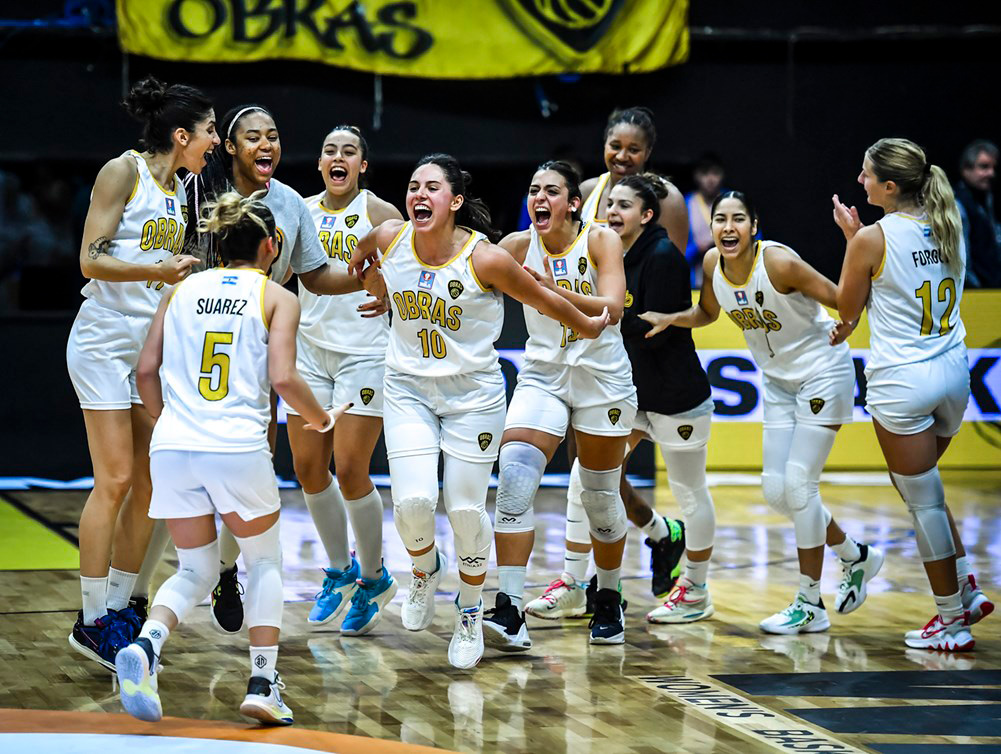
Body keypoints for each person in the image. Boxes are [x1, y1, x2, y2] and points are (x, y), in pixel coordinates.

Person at [347, 154, 609, 669]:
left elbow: (542, 298)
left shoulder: (485, 258)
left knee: (466, 510)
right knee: (412, 504)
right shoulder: (389, 237)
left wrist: (587, 324)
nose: (419, 194)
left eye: (432, 187)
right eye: (413, 186)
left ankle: (470, 608)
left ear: (455, 201)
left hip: (473, 397)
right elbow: (360, 259)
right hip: (407, 389)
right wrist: (379, 289)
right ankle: (425, 569)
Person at [115, 191, 352, 724]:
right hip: (236, 446)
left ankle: (148, 645)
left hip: (174, 445)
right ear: (272, 245)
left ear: (220, 244)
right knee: (263, 562)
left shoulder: (179, 291)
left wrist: (170, 422)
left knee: (195, 568)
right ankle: (263, 683)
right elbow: (285, 379)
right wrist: (321, 419)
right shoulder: (277, 296)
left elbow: (146, 371)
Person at [642, 190, 882, 634]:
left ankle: (810, 602)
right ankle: (855, 555)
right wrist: (674, 318)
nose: (728, 227)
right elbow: (708, 312)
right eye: (720, 219)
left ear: (754, 226)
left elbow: (843, 297)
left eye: (738, 219)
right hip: (777, 382)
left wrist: (848, 323)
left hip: (821, 373)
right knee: (777, 491)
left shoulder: (779, 263)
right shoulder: (712, 264)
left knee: (800, 486)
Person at [184, 104, 379, 634]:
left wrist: (368, 281)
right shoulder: (197, 193)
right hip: (198, 343)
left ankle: (227, 572)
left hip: (259, 351)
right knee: (188, 476)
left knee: (254, 466)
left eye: (273, 136)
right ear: (230, 147)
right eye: (253, 137)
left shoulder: (290, 203)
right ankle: (139, 594)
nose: (266, 144)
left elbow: (315, 275)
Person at [66, 76, 219, 669]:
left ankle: (121, 607)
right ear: (181, 135)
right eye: (209, 131)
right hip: (104, 340)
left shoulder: (183, 188)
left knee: (152, 484)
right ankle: (90, 621)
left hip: (146, 347)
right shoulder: (122, 171)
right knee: (115, 478)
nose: (214, 141)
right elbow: (90, 258)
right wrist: (157, 268)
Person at [525, 174, 711, 622]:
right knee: (583, 482)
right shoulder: (609, 251)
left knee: (689, 492)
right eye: (610, 204)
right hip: (631, 394)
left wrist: (569, 303)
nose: (612, 211)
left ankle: (697, 591)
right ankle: (573, 584)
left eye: (624, 205)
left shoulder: (662, 256)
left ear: (647, 216)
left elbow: (643, 326)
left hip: (673, 394)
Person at [833, 137, 994, 650]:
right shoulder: (950, 221)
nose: (860, 180)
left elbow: (846, 308)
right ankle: (964, 586)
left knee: (923, 501)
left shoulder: (872, 238)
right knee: (922, 490)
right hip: (953, 374)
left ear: (889, 186)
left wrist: (852, 239)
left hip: (903, 380)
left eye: (866, 174)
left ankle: (950, 621)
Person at [482, 160, 635, 651]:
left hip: (601, 379)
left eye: (551, 191)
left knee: (599, 496)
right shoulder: (515, 247)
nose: (539, 198)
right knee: (514, 476)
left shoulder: (600, 239)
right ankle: (509, 608)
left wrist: (549, 290)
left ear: (573, 203)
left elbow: (612, 307)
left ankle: (607, 597)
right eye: (533, 190)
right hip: (544, 374)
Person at [286, 125, 403, 634]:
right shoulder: (300, 210)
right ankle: (340, 571)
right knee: (308, 467)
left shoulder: (379, 212)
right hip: (310, 351)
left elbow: (413, 269)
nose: (339, 157)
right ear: (319, 164)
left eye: (349, 151)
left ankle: (374, 577)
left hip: (364, 352)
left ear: (362, 165)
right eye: (329, 150)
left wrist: (391, 292)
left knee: (352, 469)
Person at [579, 107, 689, 251]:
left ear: (647, 153)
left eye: (633, 150)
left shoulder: (667, 198)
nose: (622, 157)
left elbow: (674, 262)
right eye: (615, 146)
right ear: (605, 144)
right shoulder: (587, 191)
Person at [953, 139, 1001, 288]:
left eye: (994, 167)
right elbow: (961, 257)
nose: (991, 173)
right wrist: (975, 286)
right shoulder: (957, 204)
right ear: (965, 169)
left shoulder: (987, 198)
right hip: (975, 291)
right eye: (984, 167)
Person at [685, 153, 725, 286]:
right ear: (696, 175)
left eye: (715, 173)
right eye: (705, 173)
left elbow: (752, 243)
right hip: (696, 282)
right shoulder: (685, 204)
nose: (710, 179)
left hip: (729, 279)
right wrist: (696, 248)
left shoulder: (734, 201)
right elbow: (674, 254)